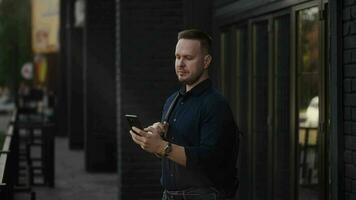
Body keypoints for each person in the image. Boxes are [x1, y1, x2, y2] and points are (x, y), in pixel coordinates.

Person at [129, 29, 239, 200]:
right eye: (177, 57)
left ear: (206, 61)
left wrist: (161, 147)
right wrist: (156, 138)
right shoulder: (172, 100)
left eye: (188, 58)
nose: (180, 63)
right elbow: (172, 153)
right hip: (169, 195)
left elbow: (211, 160)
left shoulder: (215, 104)